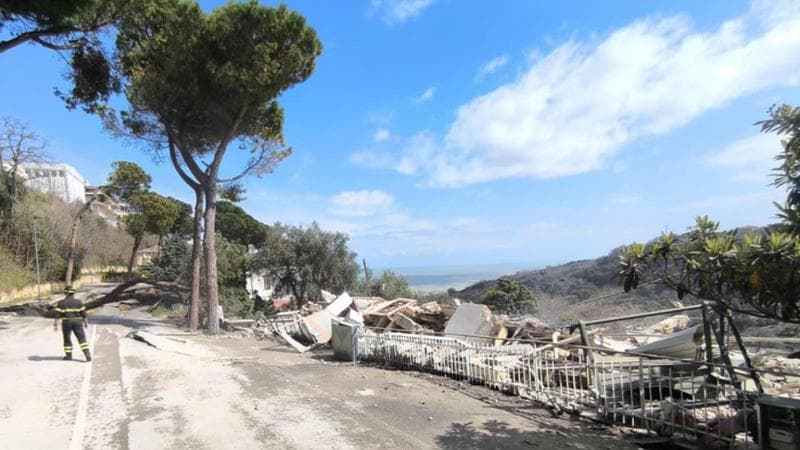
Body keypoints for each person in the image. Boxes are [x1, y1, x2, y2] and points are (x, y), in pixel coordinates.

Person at [53, 286, 91, 362]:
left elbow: (57, 315)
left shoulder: (61, 303)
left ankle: (68, 356)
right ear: (73, 293)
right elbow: (84, 314)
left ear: (66, 293)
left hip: (66, 323)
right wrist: (86, 323)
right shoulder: (79, 302)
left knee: (67, 338)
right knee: (81, 338)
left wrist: (55, 324)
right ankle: (87, 353)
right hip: (78, 322)